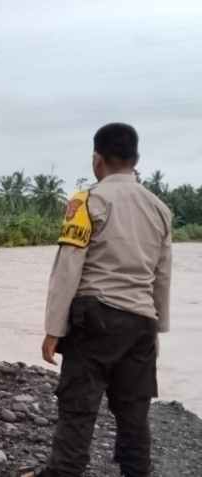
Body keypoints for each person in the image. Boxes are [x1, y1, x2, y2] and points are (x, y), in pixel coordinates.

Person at [39, 123, 172, 477]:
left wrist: (53, 329)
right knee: (134, 415)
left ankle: (64, 472)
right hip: (141, 322)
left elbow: (68, 268)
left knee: (78, 409)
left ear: (97, 159)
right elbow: (162, 276)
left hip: (94, 319)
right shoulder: (160, 209)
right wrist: (156, 329)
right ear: (135, 160)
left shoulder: (86, 201)